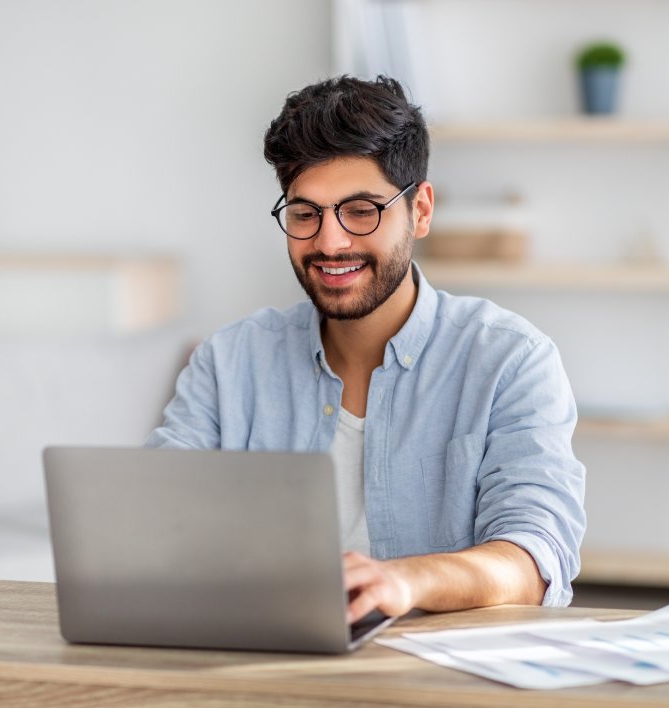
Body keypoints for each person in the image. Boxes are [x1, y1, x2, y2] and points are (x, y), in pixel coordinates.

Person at [146, 75, 585, 623]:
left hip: (436, 675)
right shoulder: (229, 362)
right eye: (306, 214)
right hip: (265, 661)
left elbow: (534, 558)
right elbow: (155, 521)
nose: (330, 242)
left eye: (361, 211)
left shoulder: (510, 359)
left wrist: (404, 579)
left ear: (420, 211)